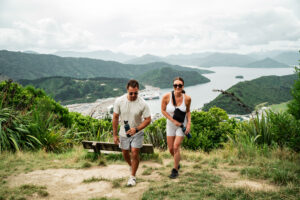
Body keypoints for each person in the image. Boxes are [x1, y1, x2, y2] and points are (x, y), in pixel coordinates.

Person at [112, 79, 151, 186]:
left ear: (138, 91)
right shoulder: (119, 101)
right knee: (125, 153)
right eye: (131, 93)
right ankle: (132, 165)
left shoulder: (143, 103)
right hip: (123, 133)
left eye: (136, 93)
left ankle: (132, 177)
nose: (134, 95)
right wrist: (115, 135)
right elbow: (115, 118)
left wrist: (136, 129)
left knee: (134, 152)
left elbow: (148, 119)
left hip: (137, 133)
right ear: (127, 90)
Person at [161, 77, 191, 178]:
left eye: (180, 85)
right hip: (170, 124)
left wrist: (188, 125)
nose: (177, 87)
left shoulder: (187, 98)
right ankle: (177, 162)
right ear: (173, 86)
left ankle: (175, 170)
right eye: (175, 85)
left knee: (176, 146)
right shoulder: (166, 97)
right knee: (170, 149)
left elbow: (188, 111)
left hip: (181, 125)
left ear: (183, 86)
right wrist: (173, 120)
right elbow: (163, 110)